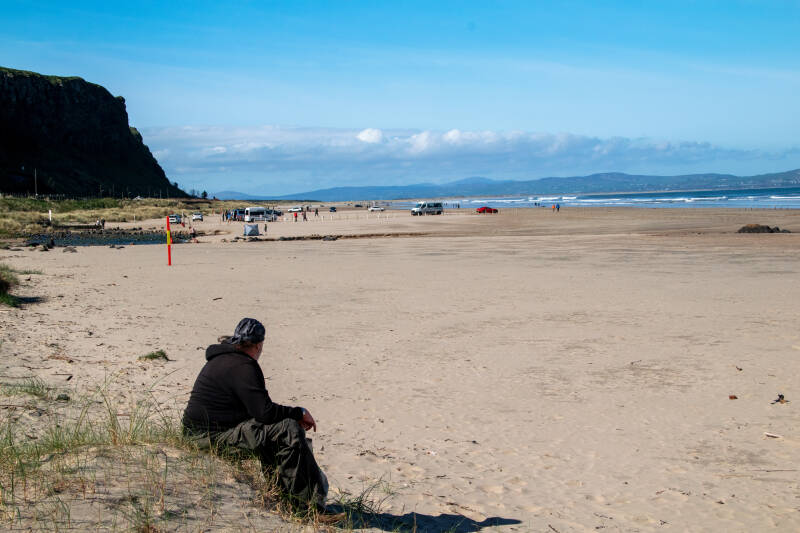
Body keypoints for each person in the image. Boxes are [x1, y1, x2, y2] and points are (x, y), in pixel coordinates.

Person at [182, 318, 340, 520]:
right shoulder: (243, 366)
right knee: (287, 429)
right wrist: (298, 412)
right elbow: (264, 412)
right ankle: (307, 508)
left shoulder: (222, 358)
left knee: (273, 430)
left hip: (199, 432)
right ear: (258, 344)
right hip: (206, 437)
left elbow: (258, 411)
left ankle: (288, 495)